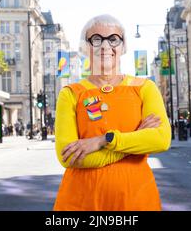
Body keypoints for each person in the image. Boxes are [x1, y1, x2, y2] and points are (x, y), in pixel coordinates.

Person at [53, 14, 171, 211]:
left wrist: (102, 141)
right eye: (96, 39)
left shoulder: (145, 88)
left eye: (113, 39)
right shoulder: (70, 94)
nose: (105, 46)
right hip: (81, 203)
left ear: (123, 47)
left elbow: (161, 139)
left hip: (136, 201)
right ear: (85, 47)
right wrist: (134, 141)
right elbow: (68, 156)